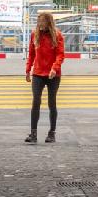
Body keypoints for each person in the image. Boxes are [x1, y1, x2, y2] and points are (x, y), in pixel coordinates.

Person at [25, 10, 65, 143]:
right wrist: (27, 70)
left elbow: (60, 55)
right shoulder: (34, 35)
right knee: (36, 101)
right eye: (39, 21)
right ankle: (33, 133)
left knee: (51, 103)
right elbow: (31, 54)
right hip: (38, 73)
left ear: (49, 22)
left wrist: (54, 68)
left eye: (43, 21)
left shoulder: (57, 35)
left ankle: (52, 133)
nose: (40, 24)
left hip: (53, 75)